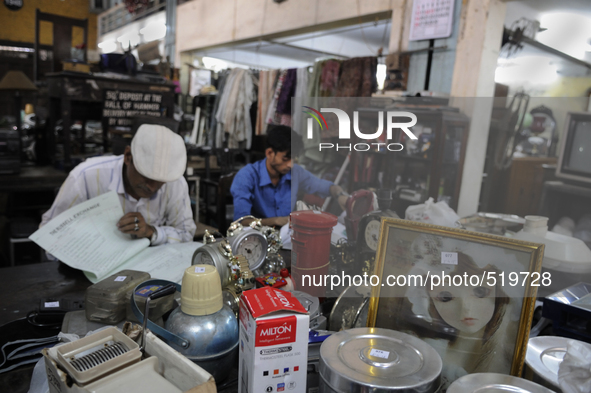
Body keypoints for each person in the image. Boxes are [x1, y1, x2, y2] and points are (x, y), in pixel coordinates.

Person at [41, 124, 196, 245]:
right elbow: (49, 233)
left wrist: (151, 232)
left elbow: (186, 234)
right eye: (146, 176)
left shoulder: (174, 183)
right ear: (128, 157)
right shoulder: (85, 177)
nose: (152, 187)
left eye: (161, 180)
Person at [230, 125, 348, 227]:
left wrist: (340, 195)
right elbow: (241, 221)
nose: (290, 164)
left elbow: (326, 187)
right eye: (286, 159)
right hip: (255, 241)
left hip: (286, 237)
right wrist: (275, 221)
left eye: (293, 159)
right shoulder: (247, 176)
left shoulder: (295, 172)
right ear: (269, 153)